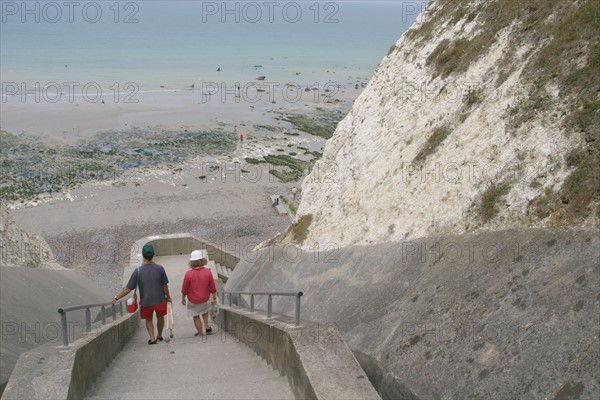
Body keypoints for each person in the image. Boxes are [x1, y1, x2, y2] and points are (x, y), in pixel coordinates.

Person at [112, 243, 172, 345]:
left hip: (146, 301)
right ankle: (159, 335)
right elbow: (164, 286)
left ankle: (152, 338)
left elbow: (128, 289)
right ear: (153, 254)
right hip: (160, 299)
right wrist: (168, 297)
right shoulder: (160, 268)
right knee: (160, 317)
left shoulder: (138, 271)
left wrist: (116, 298)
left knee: (148, 319)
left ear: (143, 255)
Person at [181, 250, 217, 336]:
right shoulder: (207, 272)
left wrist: (183, 298)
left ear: (191, 262)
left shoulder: (189, 274)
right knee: (205, 311)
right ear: (202, 260)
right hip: (205, 297)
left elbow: (184, 288)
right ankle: (207, 327)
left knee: (196, 315)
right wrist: (214, 298)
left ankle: (200, 333)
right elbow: (213, 287)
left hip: (193, 299)